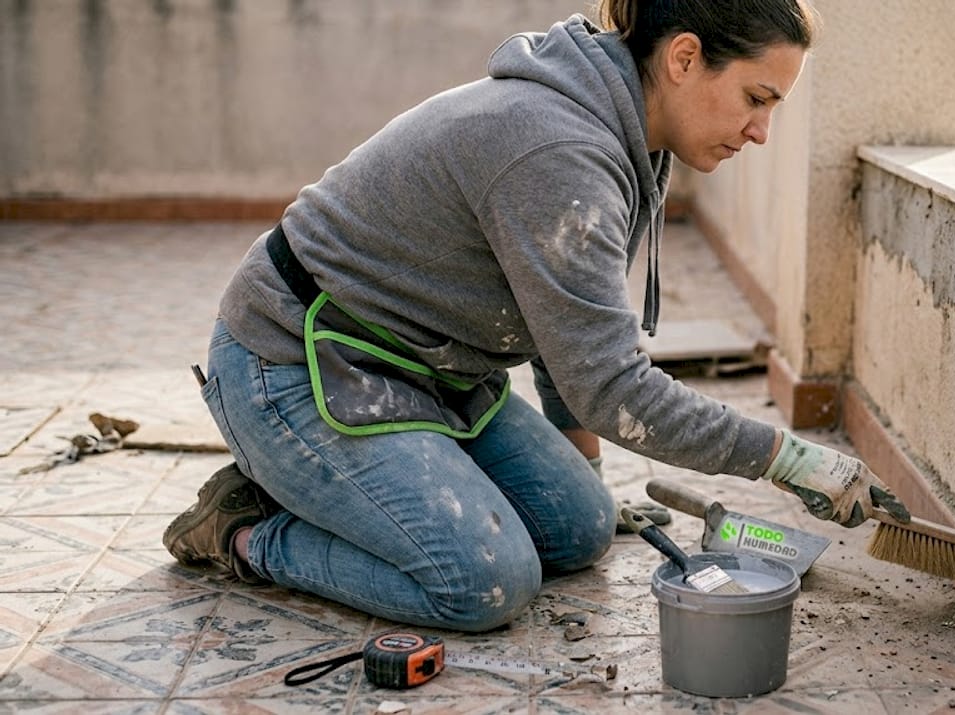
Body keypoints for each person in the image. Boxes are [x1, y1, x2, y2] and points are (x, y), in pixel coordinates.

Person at [164, 0, 910, 632]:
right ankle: (245, 527)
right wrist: (788, 458)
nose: (761, 132)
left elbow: (569, 339)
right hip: (296, 361)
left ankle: (342, 489)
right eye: (757, 98)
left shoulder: (627, 133)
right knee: (485, 580)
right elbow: (613, 390)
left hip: (428, 370)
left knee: (578, 526)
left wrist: (576, 478)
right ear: (684, 58)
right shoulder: (558, 150)